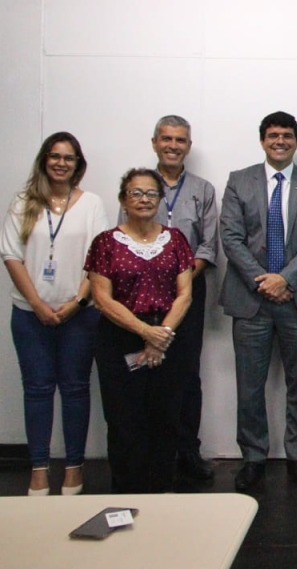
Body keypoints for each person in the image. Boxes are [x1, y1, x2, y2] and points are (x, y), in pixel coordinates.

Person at [222, 111, 297, 492]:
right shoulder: (239, 181)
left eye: (287, 135)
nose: (279, 141)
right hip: (251, 299)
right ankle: (253, 456)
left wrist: (285, 278)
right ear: (262, 140)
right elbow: (231, 238)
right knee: (249, 386)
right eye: (272, 135)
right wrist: (265, 282)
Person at [0, 132, 110, 496]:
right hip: (30, 315)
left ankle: (74, 469)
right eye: (55, 156)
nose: (61, 163)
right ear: (44, 160)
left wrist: (77, 302)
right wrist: (37, 305)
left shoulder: (91, 203)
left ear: (78, 165)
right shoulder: (23, 203)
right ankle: (39, 470)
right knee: (37, 390)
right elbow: (11, 256)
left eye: (69, 158)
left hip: (79, 314)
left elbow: (99, 259)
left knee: (76, 390)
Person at [86, 168, 195, 493]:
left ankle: (161, 492)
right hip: (119, 339)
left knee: (166, 418)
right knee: (124, 422)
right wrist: (145, 333)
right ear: (123, 199)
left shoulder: (175, 239)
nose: (144, 199)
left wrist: (159, 335)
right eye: (136, 193)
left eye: (151, 193)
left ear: (160, 199)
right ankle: (126, 494)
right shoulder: (105, 242)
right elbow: (102, 299)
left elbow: (185, 294)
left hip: (168, 336)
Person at [123, 115, 218, 481]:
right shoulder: (139, 184)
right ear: (154, 143)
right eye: (166, 139)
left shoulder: (203, 189)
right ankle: (150, 451)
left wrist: (182, 280)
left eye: (180, 140)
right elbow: (123, 236)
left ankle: (186, 451)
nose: (173, 145)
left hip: (189, 291)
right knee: (147, 368)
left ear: (188, 146)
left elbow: (209, 244)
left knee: (186, 373)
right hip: (142, 296)